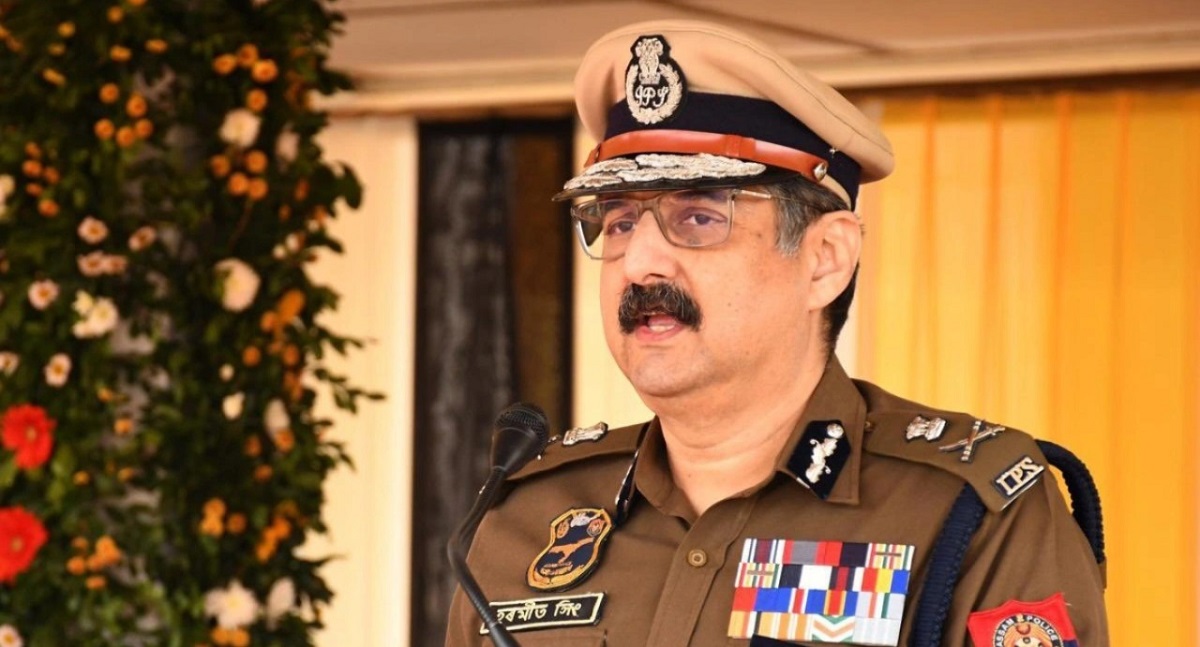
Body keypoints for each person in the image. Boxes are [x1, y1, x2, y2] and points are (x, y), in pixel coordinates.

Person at [445, 19, 1108, 647]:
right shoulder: (527, 519)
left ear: (825, 260)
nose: (640, 262)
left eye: (698, 218)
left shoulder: (964, 511)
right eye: (619, 222)